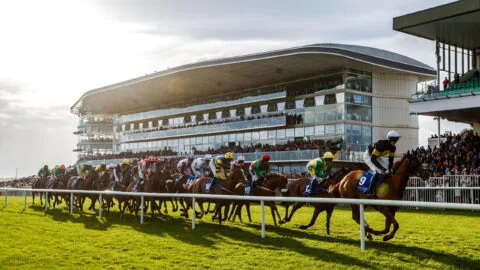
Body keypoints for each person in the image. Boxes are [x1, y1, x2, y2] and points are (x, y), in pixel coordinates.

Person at [364, 130, 400, 196]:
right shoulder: (381, 145)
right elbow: (373, 159)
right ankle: (369, 190)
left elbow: (391, 160)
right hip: (369, 156)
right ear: (389, 139)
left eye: (396, 140)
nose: (395, 142)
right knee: (378, 171)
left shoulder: (393, 148)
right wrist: (382, 168)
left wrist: (389, 169)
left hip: (376, 156)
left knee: (388, 170)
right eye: (394, 140)